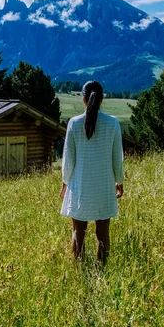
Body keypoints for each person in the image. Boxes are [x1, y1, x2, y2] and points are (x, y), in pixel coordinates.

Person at [60, 80, 124, 263]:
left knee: (78, 232)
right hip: (103, 186)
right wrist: (119, 182)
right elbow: (117, 159)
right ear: (102, 99)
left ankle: (78, 269)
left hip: (80, 186)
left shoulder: (74, 123)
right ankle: (102, 271)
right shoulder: (112, 124)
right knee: (102, 234)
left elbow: (68, 161)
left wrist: (65, 182)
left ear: (83, 99)